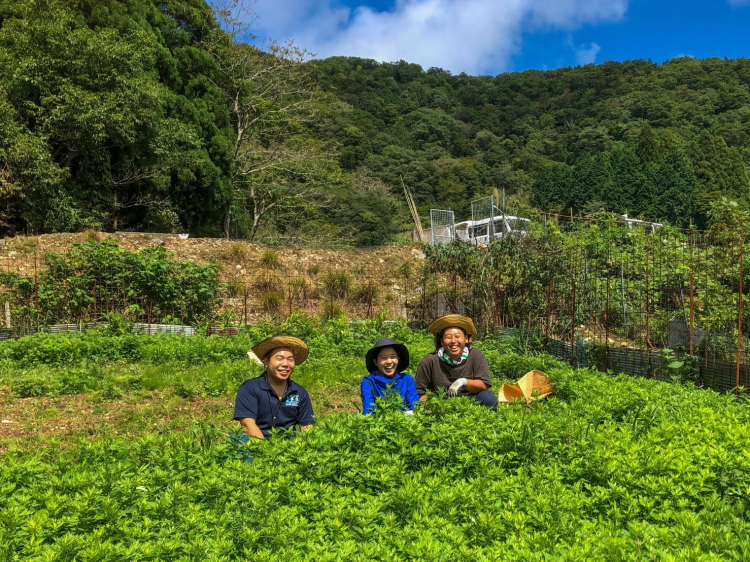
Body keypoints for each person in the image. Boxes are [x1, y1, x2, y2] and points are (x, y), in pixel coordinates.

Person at [233, 336, 315, 439]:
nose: (285, 364)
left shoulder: (299, 392)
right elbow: (247, 425)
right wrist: (268, 452)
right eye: (279, 359)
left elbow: (307, 426)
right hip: (255, 444)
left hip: (288, 447)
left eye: (290, 359)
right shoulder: (250, 388)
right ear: (266, 362)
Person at [415, 314, 497, 409]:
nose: (453, 341)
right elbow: (418, 391)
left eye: (457, 336)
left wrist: (463, 382)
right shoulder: (430, 360)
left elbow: (484, 385)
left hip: (470, 405)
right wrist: (430, 410)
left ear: (466, 339)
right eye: (448, 337)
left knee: (488, 398)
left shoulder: (475, 355)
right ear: (441, 341)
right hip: (442, 406)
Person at [361, 338, 420, 415]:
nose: (389, 361)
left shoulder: (407, 379)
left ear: (398, 360)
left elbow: (414, 408)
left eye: (393, 357)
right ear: (375, 362)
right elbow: (368, 412)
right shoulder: (369, 382)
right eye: (383, 358)